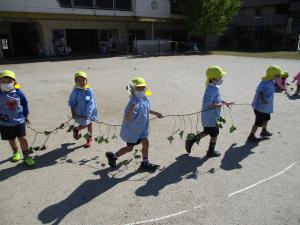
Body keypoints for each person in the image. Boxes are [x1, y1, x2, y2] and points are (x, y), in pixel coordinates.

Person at [106, 77, 163, 172]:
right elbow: (127, 118)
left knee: (146, 142)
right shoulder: (132, 101)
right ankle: (113, 156)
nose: (141, 90)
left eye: (143, 87)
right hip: (133, 130)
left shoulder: (145, 98)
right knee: (129, 148)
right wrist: (132, 110)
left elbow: (147, 109)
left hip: (142, 128)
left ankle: (145, 163)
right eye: (138, 88)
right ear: (133, 89)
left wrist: (156, 113)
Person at [185, 66, 233, 157]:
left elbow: (217, 99)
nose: (221, 79)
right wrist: (219, 105)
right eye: (219, 78)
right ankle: (210, 151)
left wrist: (225, 102)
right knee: (214, 135)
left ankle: (191, 141)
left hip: (212, 116)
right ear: (212, 78)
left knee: (207, 132)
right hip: (210, 117)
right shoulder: (210, 90)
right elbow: (208, 104)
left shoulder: (215, 87)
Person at [0, 70, 36, 166]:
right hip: (5, 123)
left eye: (9, 81)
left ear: (14, 82)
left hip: (19, 121)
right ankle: (16, 152)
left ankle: (26, 156)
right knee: (11, 139)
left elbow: (25, 103)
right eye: (3, 82)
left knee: (23, 138)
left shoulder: (18, 92)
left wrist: (26, 115)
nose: (6, 84)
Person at [247, 65, 283, 142]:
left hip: (266, 107)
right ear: (273, 76)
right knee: (258, 122)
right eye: (278, 76)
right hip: (260, 108)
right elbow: (260, 91)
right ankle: (251, 135)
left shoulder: (271, 81)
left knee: (267, 119)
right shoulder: (265, 83)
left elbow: (273, 87)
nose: (280, 77)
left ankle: (264, 131)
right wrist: (263, 100)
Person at [68, 71, 98, 148]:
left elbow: (90, 103)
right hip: (80, 112)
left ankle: (89, 139)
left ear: (86, 81)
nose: (81, 82)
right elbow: (72, 102)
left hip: (89, 112)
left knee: (89, 124)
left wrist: (87, 114)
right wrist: (73, 112)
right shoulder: (75, 92)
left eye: (83, 80)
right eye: (79, 81)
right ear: (76, 82)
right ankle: (77, 129)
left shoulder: (88, 91)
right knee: (84, 125)